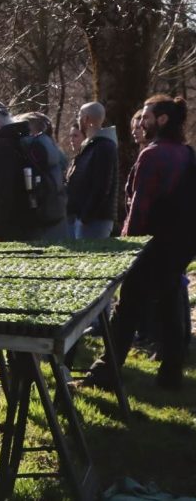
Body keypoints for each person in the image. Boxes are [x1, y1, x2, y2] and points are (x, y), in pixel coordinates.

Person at [82, 96, 194, 390]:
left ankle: (104, 374)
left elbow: (139, 208)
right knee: (170, 307)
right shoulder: (187, 153)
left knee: (126, 309)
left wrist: (127, 247)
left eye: (146, 116)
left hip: (150, 247)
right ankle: (171, 375)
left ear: (162, 120)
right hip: (179, 245)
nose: (140, 122)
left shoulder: (152, 155)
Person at [0, 100, 67, 242]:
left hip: (13, 230)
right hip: (29, 226)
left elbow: (3, 193)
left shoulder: (3, 145)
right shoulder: (20, 138)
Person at [65, 102, 119, 239]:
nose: (78, 119)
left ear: (86, 119)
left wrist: (85, 217)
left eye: (79, 116)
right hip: (83, 217)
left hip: (95, 220)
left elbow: (102, 186)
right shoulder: (90, 146)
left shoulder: (104, 147)